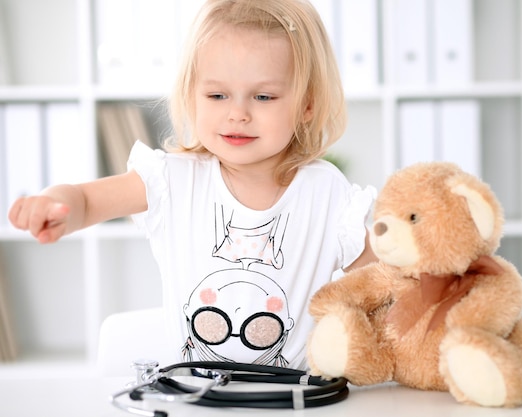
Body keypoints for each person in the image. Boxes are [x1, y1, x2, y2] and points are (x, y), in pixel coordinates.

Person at [7, 0, 376, 370]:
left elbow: (380, 282)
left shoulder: (326, 191)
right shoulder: (173, 180)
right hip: (196, 395)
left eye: (263, 96)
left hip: (295, 399)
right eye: (217, 95)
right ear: (192, 94)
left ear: (307, 104)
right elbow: (87, 200)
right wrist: (56, 206)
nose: (237, 113)